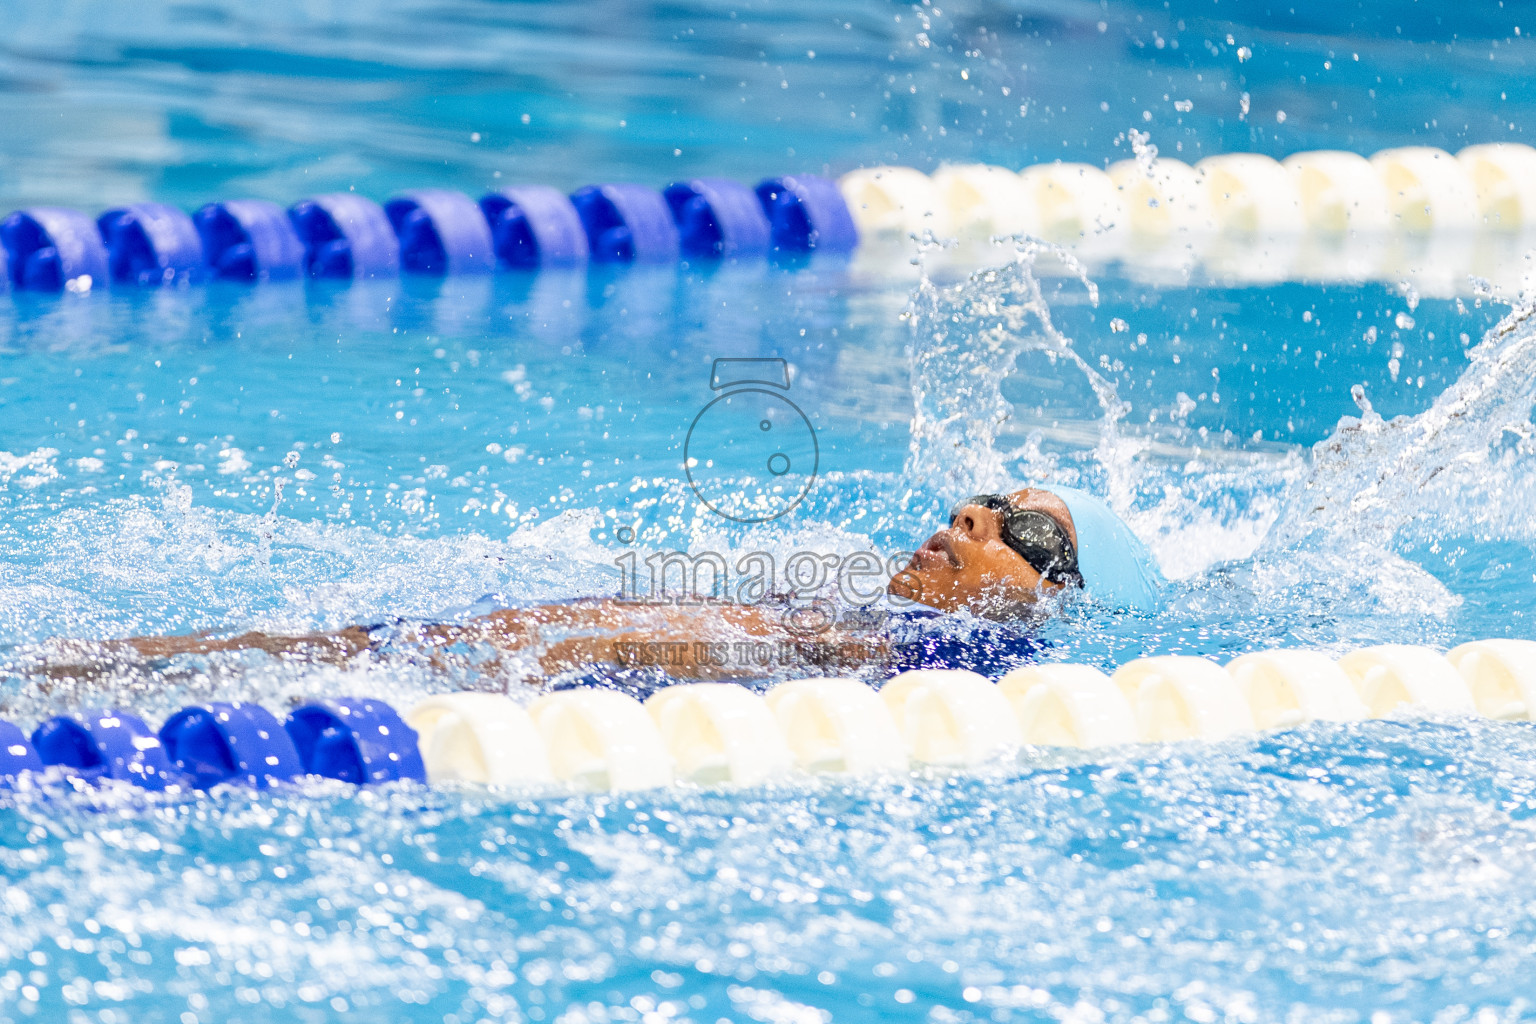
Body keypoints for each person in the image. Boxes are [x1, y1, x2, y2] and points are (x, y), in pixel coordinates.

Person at [109, 484, 1161, 681]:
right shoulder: (885, 611)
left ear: (1055, 591)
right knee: (338, 641)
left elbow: (785, 653)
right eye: (981, 496)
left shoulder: (978, 654)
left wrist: (582, 650)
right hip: (548, 645)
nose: (972, 515)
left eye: (1021, 525)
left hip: (577, 674)